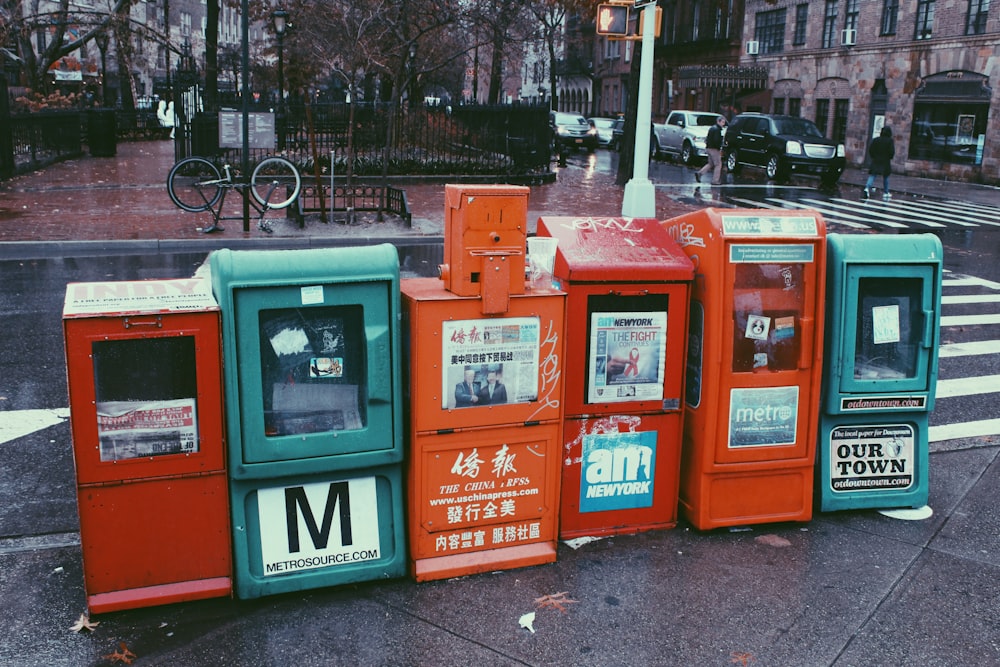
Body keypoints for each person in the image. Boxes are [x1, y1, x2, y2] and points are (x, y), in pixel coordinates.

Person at [864, 126, 895, 201]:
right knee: (886, 176)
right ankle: (886, 192)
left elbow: (871, 150)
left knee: (873, 175)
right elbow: (891, 152)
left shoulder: (876, 140)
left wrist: (874, 156)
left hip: (876, 160)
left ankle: (867, 188)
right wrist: (889, 157)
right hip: (885, 161)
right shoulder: (890, 141)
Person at [696, 115, 727, 186]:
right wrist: (719, 148)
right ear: (718, 121)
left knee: (710, 163)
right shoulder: (717, 130)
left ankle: (700, 173)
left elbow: (707, 138)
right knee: (718, 164)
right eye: (722, 122)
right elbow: (716, 140)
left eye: (724, 122)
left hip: (709, 148)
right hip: (714, 149)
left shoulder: (712, 128)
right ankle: (715, 181)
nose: (723, 124)